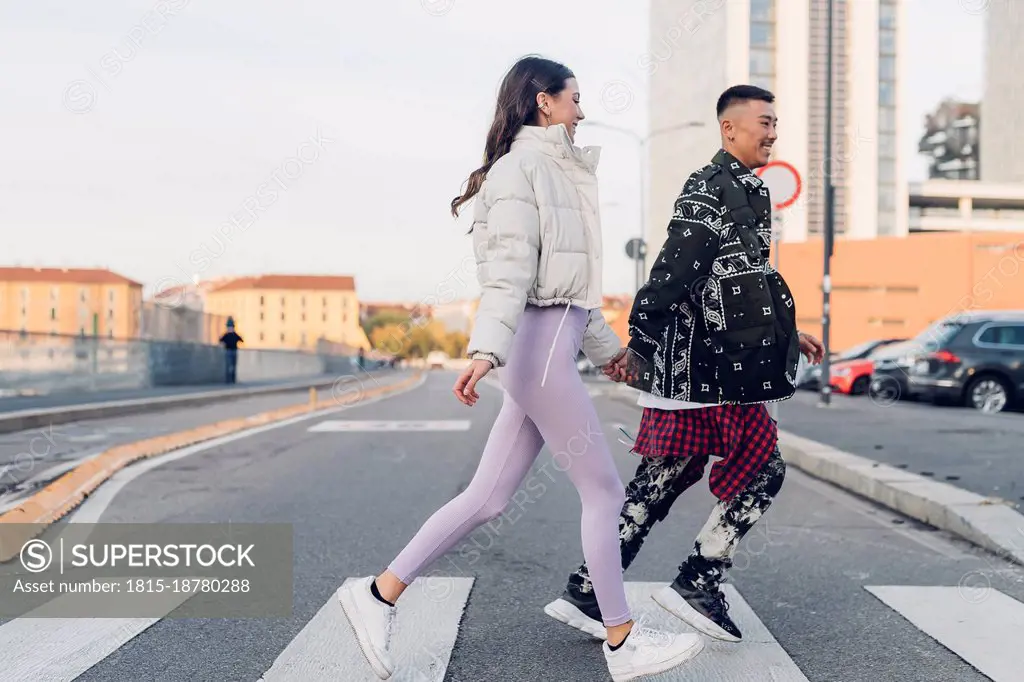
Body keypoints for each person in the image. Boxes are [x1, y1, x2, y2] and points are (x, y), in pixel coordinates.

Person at [337, 55, 704, 682]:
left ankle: (377, 595)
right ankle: (621, 638)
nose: (582, 110)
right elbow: (510, 271)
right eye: (576, 98)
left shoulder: (561, 172)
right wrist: (485, 350)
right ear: (544, 102)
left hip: (549, 349)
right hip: (535, 354)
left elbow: (572, 288)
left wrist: (609, 352)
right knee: (605, 491)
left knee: (486, 497)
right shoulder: (520, 171)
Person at [544, 85, 825, 644]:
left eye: (776, 123)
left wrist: (792, 333)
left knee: (663, 479)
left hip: (716, 369)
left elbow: (748, 282)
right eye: (765, 122)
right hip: (703, 370)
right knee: (762, 471)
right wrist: (639, 346)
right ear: (730, 128)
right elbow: (670, 276)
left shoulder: (747, 190)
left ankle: (588, 590)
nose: (773, 133)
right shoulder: (709, 188)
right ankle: (698, 579)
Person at [218, 318, 243, 384]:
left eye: (231, 327)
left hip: (234, 351)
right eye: (229, 327)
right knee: (228, 366)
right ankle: (228, 380)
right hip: (228, 351)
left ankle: (233, 380)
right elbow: (220, 340)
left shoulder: (235, 335)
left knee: (233, 366)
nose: (230, 329)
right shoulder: (226, 335)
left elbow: (241, 340)